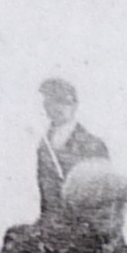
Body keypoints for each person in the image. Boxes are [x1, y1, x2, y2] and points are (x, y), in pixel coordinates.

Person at [30, 77, 107, 225]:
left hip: (84, 225)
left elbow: (103, 195)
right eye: (51, 101)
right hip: (50, 224)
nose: (57, 107)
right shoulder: (44, 145)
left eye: (64, 101)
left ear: (75, 105)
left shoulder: (93, 145)